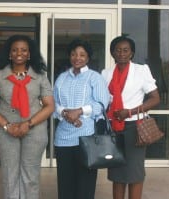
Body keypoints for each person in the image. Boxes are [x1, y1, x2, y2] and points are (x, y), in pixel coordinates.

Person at [0, 35, 54, 199]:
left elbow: (49, 105)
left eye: (23, 50)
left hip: (34, 130)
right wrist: (7, 126)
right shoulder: (0, 76)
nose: (19, 53)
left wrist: (28, 124)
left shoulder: (40, 75)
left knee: (30, 175)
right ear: (9, 54)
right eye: (14, 50)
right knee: (10, 175)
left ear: (29, 54)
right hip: (5, 131)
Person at [101, 36, 160, 199]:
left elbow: (155, 98)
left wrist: (130, 112)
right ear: (112, 53)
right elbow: (103, 100)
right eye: (117, 50)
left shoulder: (141, 70)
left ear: (132, 53)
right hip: (114, 128)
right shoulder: (105, 74)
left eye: (125, 50)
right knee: (117, 171)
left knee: (134, 172)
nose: (121, 53)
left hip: (135, 126)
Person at [53, 38, 110, 199]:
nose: (77, 58)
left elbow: (101, 104)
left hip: (87, 137)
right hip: (63, 138)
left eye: (82, 55)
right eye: (73, 54)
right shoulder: (62, 78)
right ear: (69, 56)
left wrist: (79, 111)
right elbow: (54, 104)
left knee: (85, 184)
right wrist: (66, 114)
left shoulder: (95, 77)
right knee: (65, 184)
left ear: (87, 58)